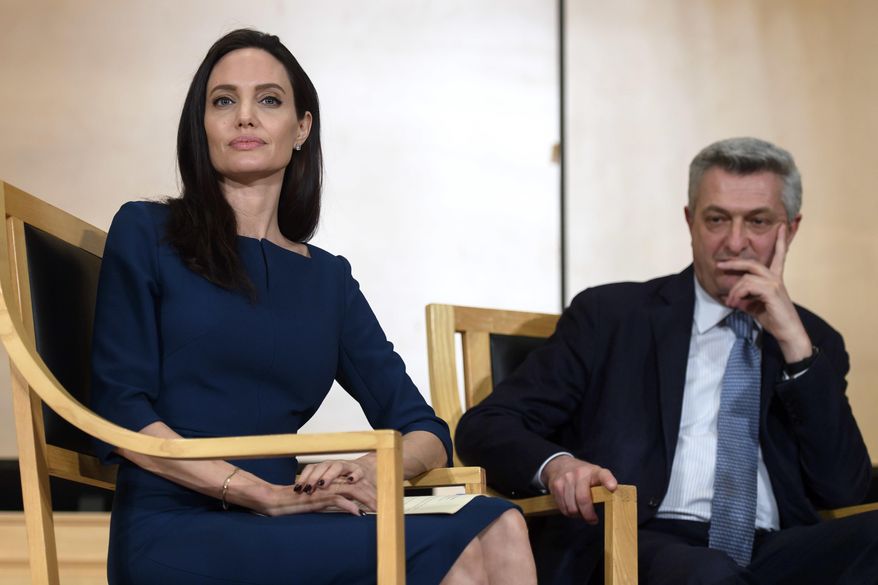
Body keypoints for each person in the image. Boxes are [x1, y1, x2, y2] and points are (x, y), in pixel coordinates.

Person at [90, 29, 536, 585]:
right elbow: (120, 408)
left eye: (268, 100)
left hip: (290, 516)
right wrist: (260, 494)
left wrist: (370, 469)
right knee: (462, 550)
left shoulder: (328, 279)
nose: (244, 117)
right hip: (176, 526)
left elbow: (423, 429)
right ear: (200, 126)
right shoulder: (145, 230)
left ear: (301, 128)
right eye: (223, 101)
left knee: (497, 524)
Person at [456, 137, 878, 584]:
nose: (735, 242)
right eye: (717, 219)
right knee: (708, 574)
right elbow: (487, 425)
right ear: (690, 221)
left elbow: (845, 490)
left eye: (757, 221)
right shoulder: (611, 316)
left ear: (789, 229)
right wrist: (558, 465)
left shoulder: (812, 340)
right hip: (641, 539)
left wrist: (794, 344)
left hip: (774, 550)